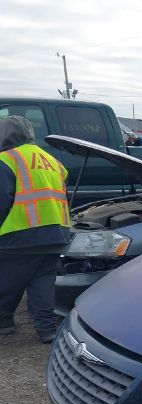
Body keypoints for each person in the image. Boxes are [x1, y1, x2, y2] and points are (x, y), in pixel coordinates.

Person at [0, 116, 71, 344]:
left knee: (7, 281)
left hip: (19, 234)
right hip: (56, 234)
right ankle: (46, 329)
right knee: (42, 282)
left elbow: (2, 200)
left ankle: (3, 322)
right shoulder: (52, 160)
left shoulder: (6, 159)